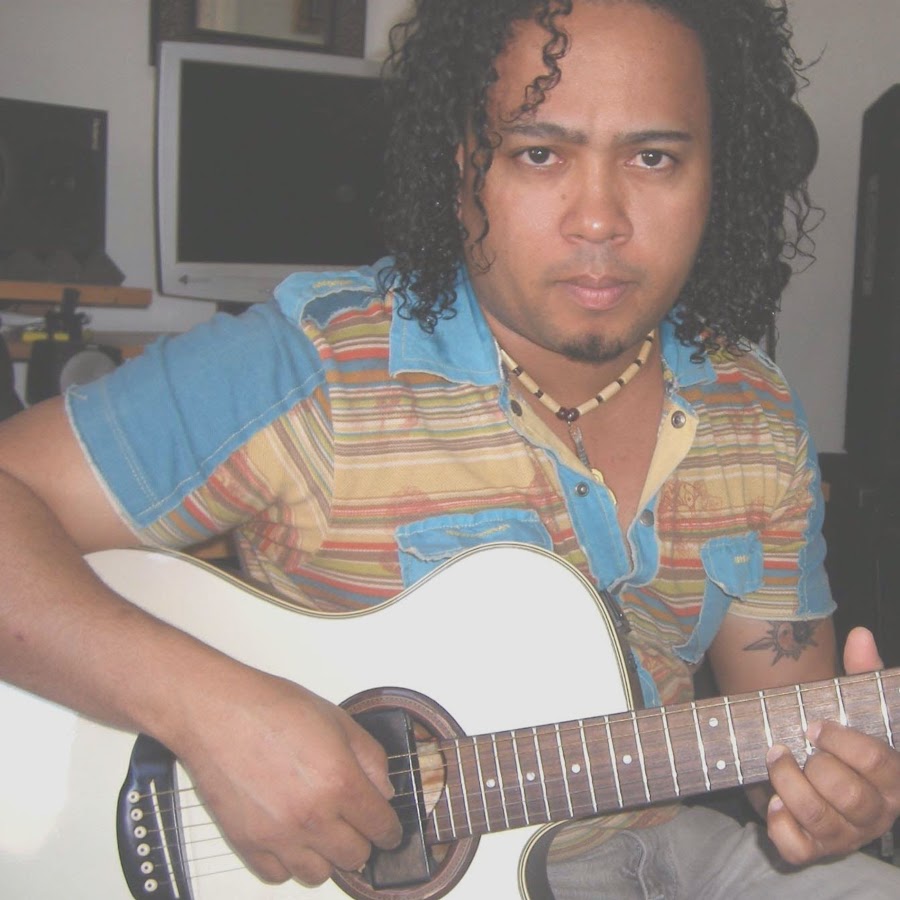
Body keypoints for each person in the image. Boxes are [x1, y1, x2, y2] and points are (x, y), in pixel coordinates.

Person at [1, 0, 899, 897]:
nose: (600, 219)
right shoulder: (310, 369)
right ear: (462, 164)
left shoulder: (755, 412)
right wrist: (210, 712)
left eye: (653, 157)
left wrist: (830, 798)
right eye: (539, 153)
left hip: (662, 847)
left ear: (715, 174)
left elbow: (785, 749)